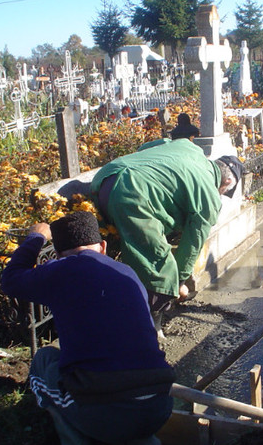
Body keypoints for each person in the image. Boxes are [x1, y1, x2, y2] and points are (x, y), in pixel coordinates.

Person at [1, 211, 175, 445]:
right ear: (103, 247)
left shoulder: (60, 271)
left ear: (58, 255)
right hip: (160, 405)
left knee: (44, 361)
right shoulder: (127, 272)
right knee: (125, 374)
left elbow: (10, 280)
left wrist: (35, 237)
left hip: (105, 413)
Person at [91, 138, 244, 336]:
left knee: (138, 255)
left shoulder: (188, 147)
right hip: (133, 194)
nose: (221, 195)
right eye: (224, 192)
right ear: (228, 182)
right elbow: (192, 245)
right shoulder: (209, 195)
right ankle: (150, 330)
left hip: (105, 177)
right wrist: (178, 281)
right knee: (160, 267)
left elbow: (148, 146)